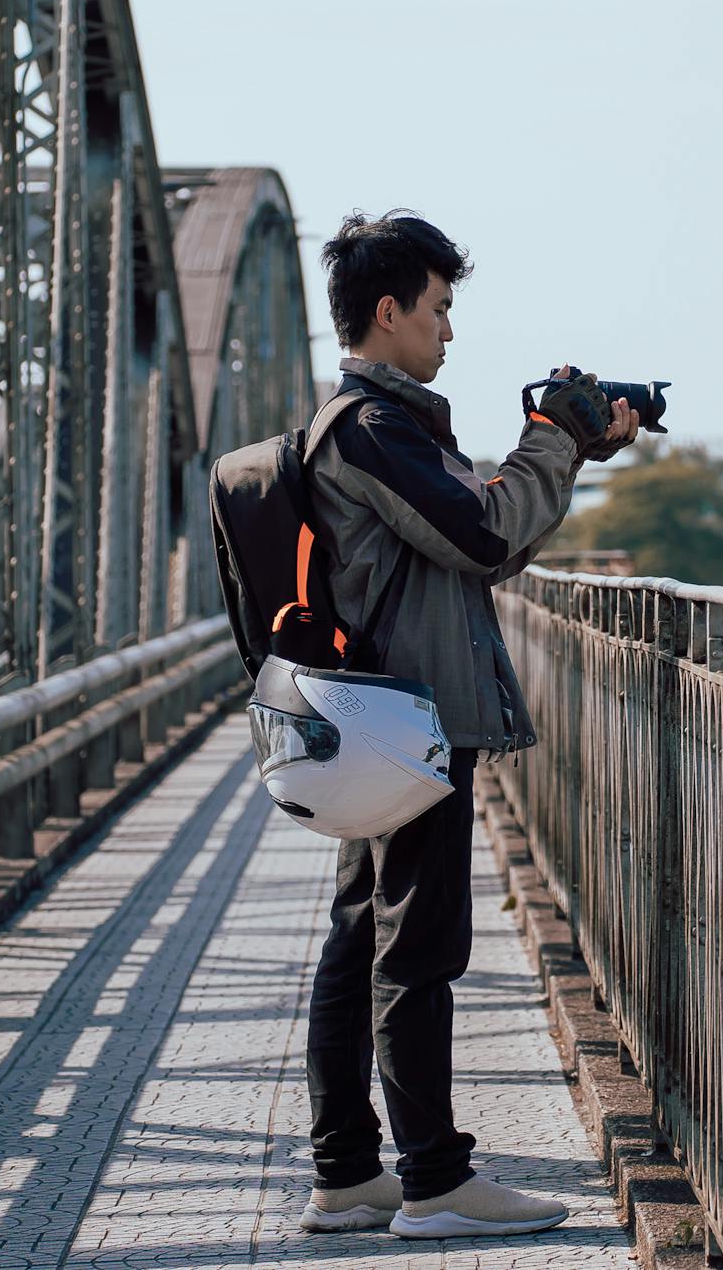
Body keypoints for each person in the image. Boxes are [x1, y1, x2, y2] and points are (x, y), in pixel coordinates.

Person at [293, 211, 638, 1239]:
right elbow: (487, 533)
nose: (450, 331)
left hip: (379, 716)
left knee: (362, 934)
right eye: (441, 309)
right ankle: (436, 1182)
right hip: (412, 720)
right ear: (389, 312)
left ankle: (349, 1176)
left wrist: (565, 455)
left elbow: (468, 536)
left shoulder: (370, 426)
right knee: (416, 946)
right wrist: (552, 440)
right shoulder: (372, 427)